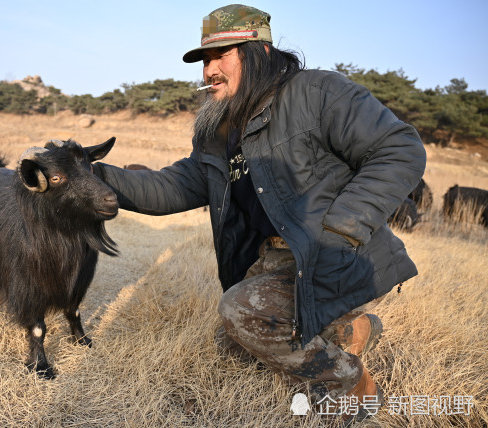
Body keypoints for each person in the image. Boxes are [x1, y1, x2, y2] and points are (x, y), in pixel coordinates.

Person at [92, 4, 426, 423]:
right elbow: (171, 186)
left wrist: (342, 229)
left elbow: (400, 149)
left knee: (242, 311)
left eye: (221, 55)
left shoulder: (317, 92)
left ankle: (350, 387)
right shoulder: (220, 133)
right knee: (235, 348)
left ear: (259, 53)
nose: (208, 71)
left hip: (332, 254)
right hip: (275, 260)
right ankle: (348, 332)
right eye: (204, 60)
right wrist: (92, 175)